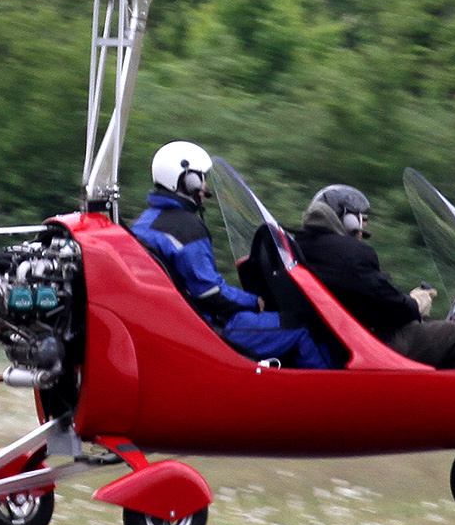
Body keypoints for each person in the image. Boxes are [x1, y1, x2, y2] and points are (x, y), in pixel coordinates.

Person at [131, 142, 331, 369]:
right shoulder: (185, 227)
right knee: (303, 326)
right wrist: (255, 301)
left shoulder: (147, 221)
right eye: (201, 178)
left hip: (179, 321)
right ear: (188, 180)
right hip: (209, 326)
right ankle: (332, 395)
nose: (204, 186)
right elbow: (211, 293)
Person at [292, 184, 455, 370]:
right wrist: (416, 303)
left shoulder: (298, 246)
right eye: (362, 219)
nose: (363, 227)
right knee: (449, 334)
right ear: (349, 220)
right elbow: (389, 306)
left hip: (333, 341)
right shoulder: (350, 253)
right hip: (364, 347)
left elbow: (372, 299)